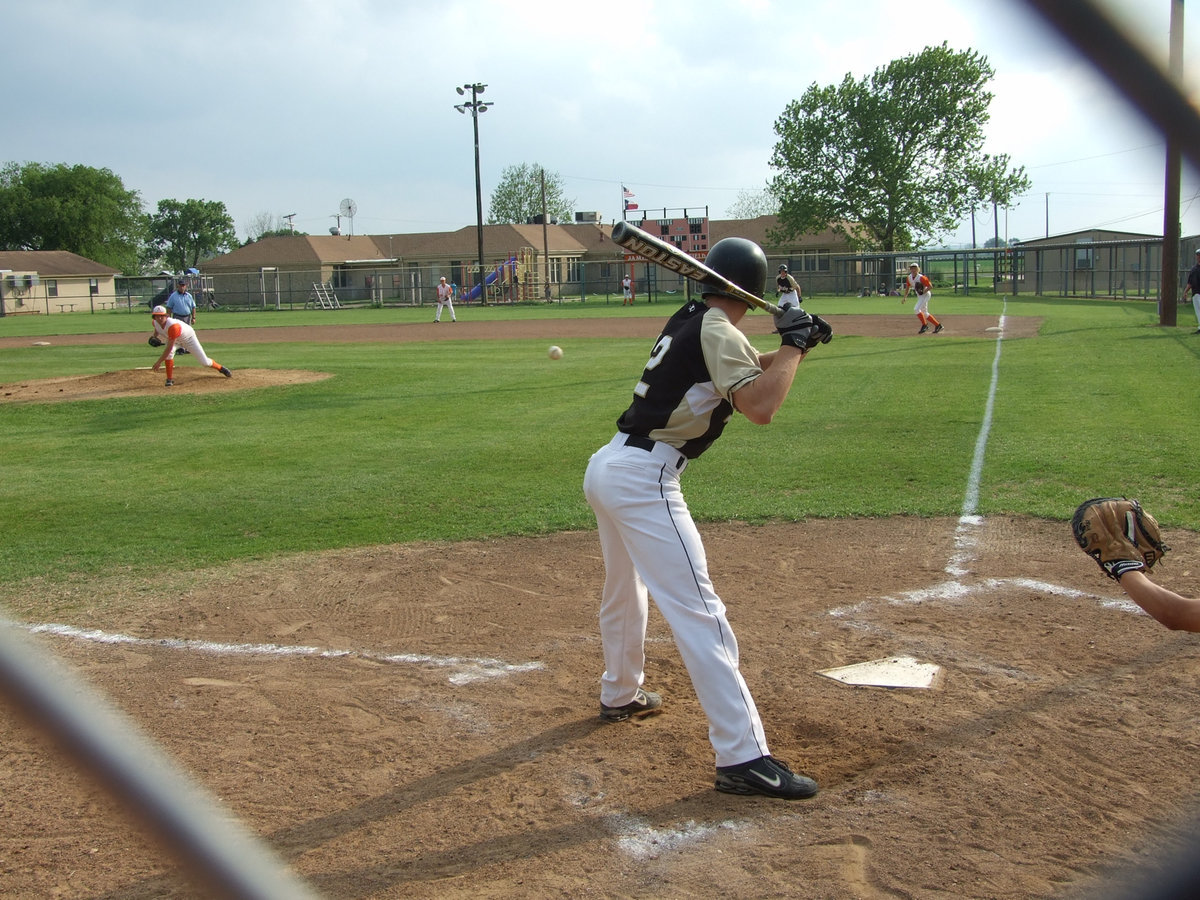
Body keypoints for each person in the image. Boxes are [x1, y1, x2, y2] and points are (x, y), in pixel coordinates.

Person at [582, 236, 827, 801]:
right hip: (645, 480)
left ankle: (621, 692)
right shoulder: (718, 327)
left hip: (612, 465)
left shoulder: (697, 318)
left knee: (625, 590)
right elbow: (759, 406)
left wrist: (798, 348)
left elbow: (741, 372)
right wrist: (790, 345)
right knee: (702, 614)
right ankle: (743, 757)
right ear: (755, 287)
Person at [149, 305, 232, 387]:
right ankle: (169, 379)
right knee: (169, 355)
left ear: (166, 316)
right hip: (174, 339)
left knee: (205, 362)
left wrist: (159, 362)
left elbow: (169, 347)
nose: (159, 318)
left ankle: (220, 368)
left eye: (161, 316)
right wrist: (154, 336)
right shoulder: (155, 322)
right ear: (154, 317)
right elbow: (157, 328)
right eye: (157, 316)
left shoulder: (173, 326)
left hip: (188, 338)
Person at [901, 262, 942, 334]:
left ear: (918, 269)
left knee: (916, 309)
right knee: (925, 313)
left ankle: (925, 325)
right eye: (912, 268)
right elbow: (908, 287)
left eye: (915, 268)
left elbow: (930, 286)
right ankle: (938, 325)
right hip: (920, 295)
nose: (913, 270)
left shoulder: (922, 278)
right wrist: (905, 297)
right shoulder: (909, 278)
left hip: (925, 294)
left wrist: (923, 291)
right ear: (910, 269)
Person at [1183, 248, 1200, 334]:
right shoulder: (1194, 269)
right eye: (1198, 255)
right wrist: (1185, 292)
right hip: (1196, 293)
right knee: (1198, 311)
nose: (1199, 257)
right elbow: (1190, 282)